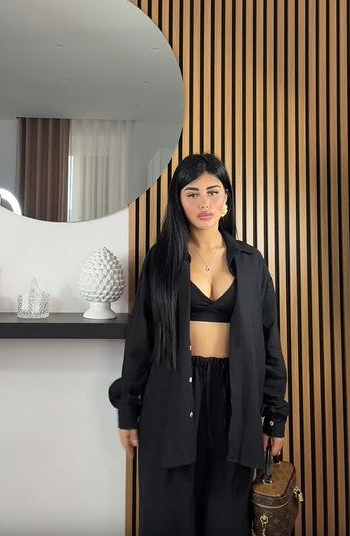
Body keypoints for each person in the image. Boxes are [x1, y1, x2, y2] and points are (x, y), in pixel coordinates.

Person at [109, 154, 289, 536]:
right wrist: (127, 411)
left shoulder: (251, 262)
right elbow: (140, 340)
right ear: (179, 201)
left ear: (226, 199)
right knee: (169, 515)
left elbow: (269, 343)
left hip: (234, 402)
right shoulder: (161, 260)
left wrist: (275, 417)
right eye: (192, 193)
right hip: (170, 399)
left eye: (212, 191)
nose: (203, 202)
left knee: (226, 517)